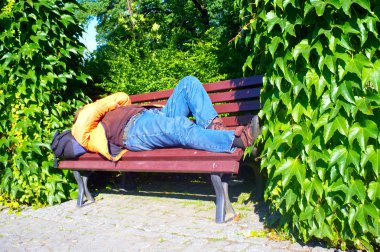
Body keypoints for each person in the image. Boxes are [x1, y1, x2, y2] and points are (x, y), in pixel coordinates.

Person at [72, 76, 261, 161]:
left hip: (153, 115)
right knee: (179, 126)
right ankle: (239, 140)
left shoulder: (104, 112)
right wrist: (94, 107)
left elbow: (122, 97)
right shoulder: (84, 129)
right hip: (135, 131)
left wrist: (105, 105)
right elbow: (91, 112)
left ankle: (215, 128)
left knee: (188, 83)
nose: (87, 108)